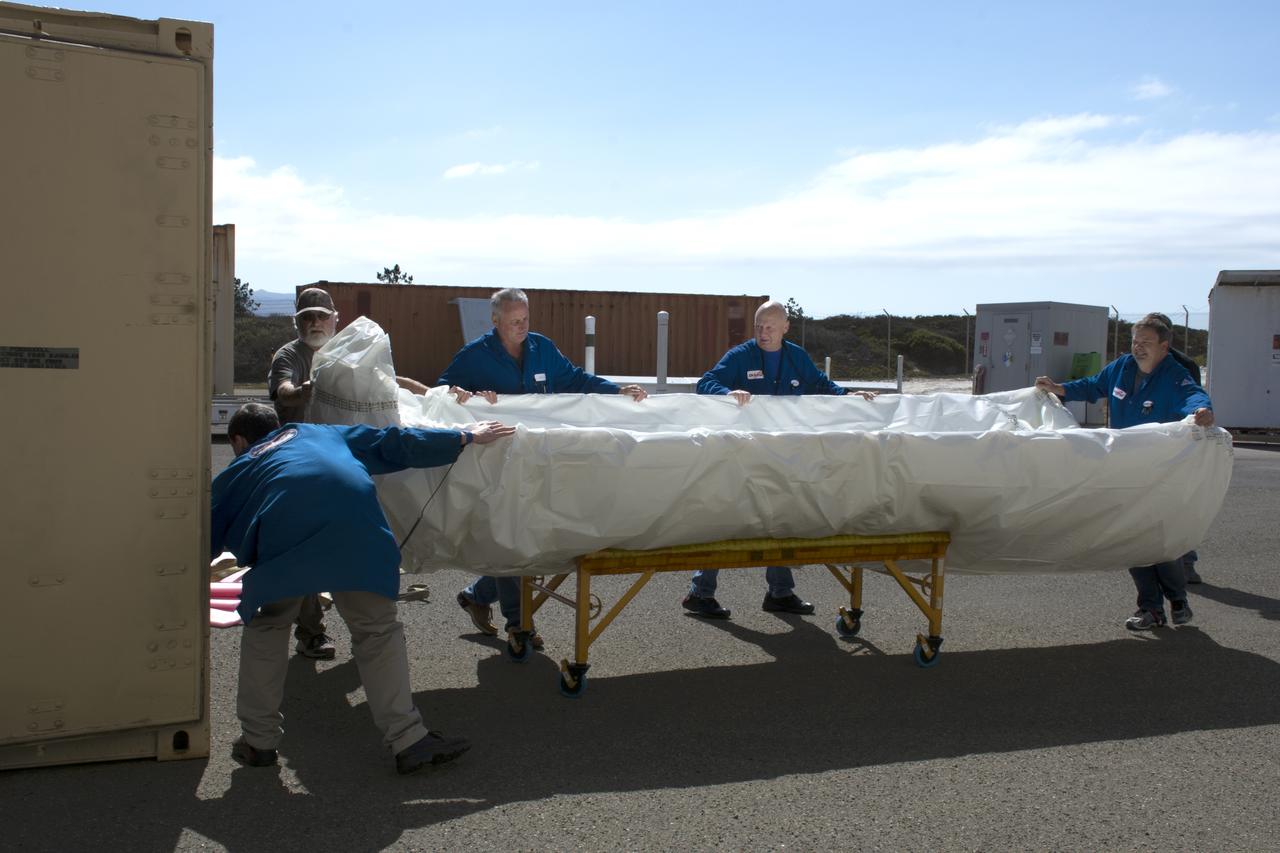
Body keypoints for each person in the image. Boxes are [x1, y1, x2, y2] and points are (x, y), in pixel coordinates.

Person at [212, 402, 515, 774]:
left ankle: (258, 743)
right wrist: (464, 436)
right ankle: (409, 739)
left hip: (285, 544)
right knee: (377, 632)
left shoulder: (239, 469)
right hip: (356, 531)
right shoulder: (317, 433)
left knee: (268, 628)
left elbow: (201, 537)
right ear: (278, 425)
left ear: (238, 440)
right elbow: (395, 442)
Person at [438, 288, 648, 643]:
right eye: (514, 321)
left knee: (531, 536)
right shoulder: (475, 356)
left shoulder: (542, 349)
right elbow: (442, 390)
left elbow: (576, 380)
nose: (522, 326)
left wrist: (616, 391)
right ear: (495, 320)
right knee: (512, 535)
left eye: (526, 319)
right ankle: (519, 624)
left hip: (541, 460)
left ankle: (477, 595)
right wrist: (464, 395)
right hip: (500, 464)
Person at [685, 300, 878, 620]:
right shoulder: (740, 356)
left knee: (780, 515)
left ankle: (780, 592)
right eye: (759, 327)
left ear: (786, 327)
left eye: (770, 327)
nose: (763, 333)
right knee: (727, 514)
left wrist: (848, 396)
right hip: (742, 451)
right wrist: (727, 392)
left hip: (783, 452)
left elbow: (821, 384)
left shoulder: (796, 357)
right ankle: (699, 592)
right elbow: (705, 383)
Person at [268, 288, 430, 660]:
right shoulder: (289, 355)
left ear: (335, 318)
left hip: (345, 464)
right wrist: (304, 391)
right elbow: (284, 390)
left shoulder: (348, 349)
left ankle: (370, 632)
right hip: (302, 464)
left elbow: (389, 380)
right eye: (307, 317)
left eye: (321, 316)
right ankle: (311, 632)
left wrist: (435, 393)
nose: (314, 323)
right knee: (306, 546)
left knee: (359, 545)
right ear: (297, 322)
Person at [1035, 316, 1214, 631]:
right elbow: (1093, 385)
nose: (1138, 348)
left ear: (1164, 346)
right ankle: (1151, 609)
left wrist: (1201, 411)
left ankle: (1177, 599)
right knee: (1132, 539)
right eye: (1135, 341)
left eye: (1146, 343)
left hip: (1160, 471)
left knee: (1160, 543)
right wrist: (1058, 388)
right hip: (1124, 468)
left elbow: (1193, 396)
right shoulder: (1121, 367)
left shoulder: (1174, 374)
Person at [1143, 312, 1205, 585]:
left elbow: (1192, 398)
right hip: (1147, 443)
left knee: (1177, 507)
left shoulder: (1182, 366)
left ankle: (1185, 563)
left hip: (1172, 444)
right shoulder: (1134, 362)